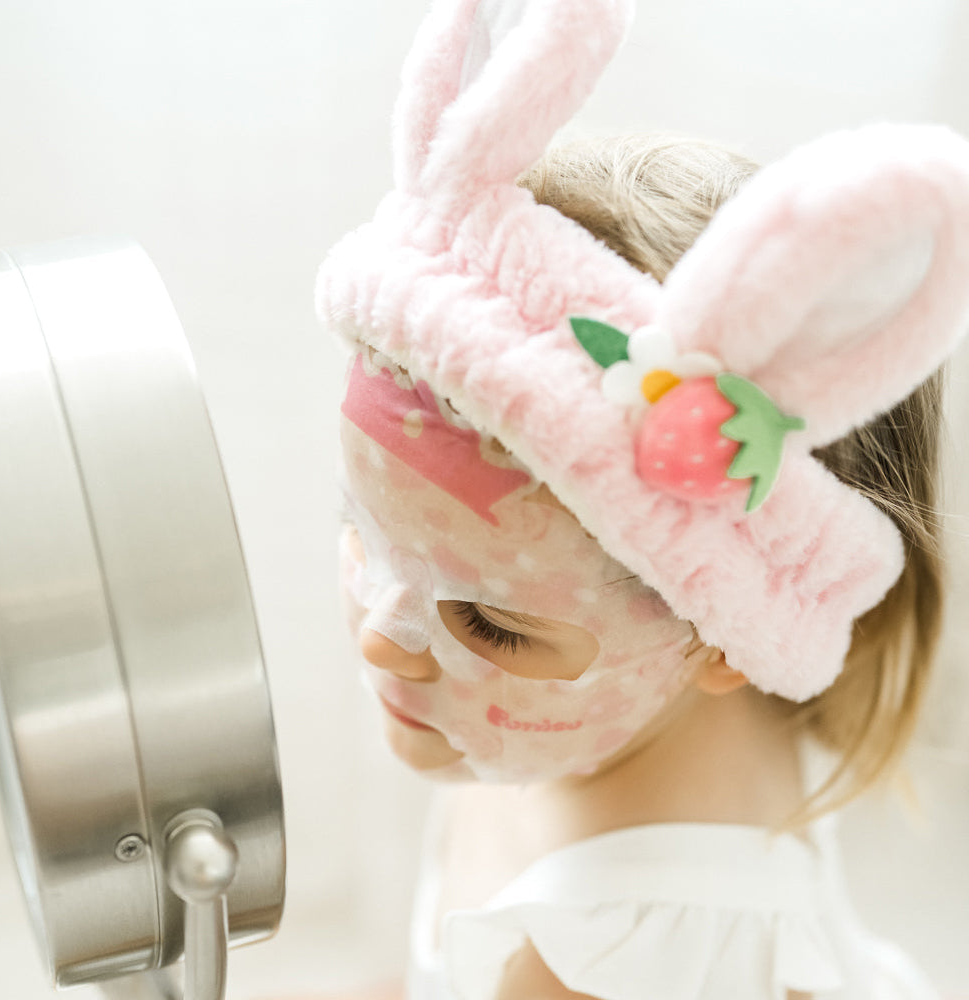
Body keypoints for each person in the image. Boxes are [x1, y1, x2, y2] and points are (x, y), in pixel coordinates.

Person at [315, 1, 969, 997]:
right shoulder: (598, 721)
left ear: (720, 638)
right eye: (360, 531)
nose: (380, 633)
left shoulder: (602, 961)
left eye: (487, 621)